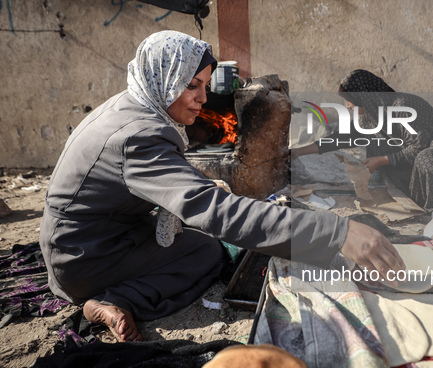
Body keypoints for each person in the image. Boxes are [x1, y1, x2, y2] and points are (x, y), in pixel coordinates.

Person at [39, 32, 404, 342]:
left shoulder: (133, 106)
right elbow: (216, 212)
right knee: (208, 253)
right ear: (162, 77)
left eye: (204, 86)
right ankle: (109, 299)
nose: (202, 98)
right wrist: (337, 232)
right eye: (191, 86)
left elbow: (161, 181)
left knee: (201, 245)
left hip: (98, 235)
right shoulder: (138, 136)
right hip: (82, 257)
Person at [293, 69, 433, 211]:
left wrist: (382, 160)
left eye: (350, 99)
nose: (348, 105)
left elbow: (418, 146)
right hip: (416, 161)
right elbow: (342, 137)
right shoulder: (370, 115)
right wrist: (297, 152)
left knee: (427, 160)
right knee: (379, 151)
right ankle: (420, 197)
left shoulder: (403, 107)